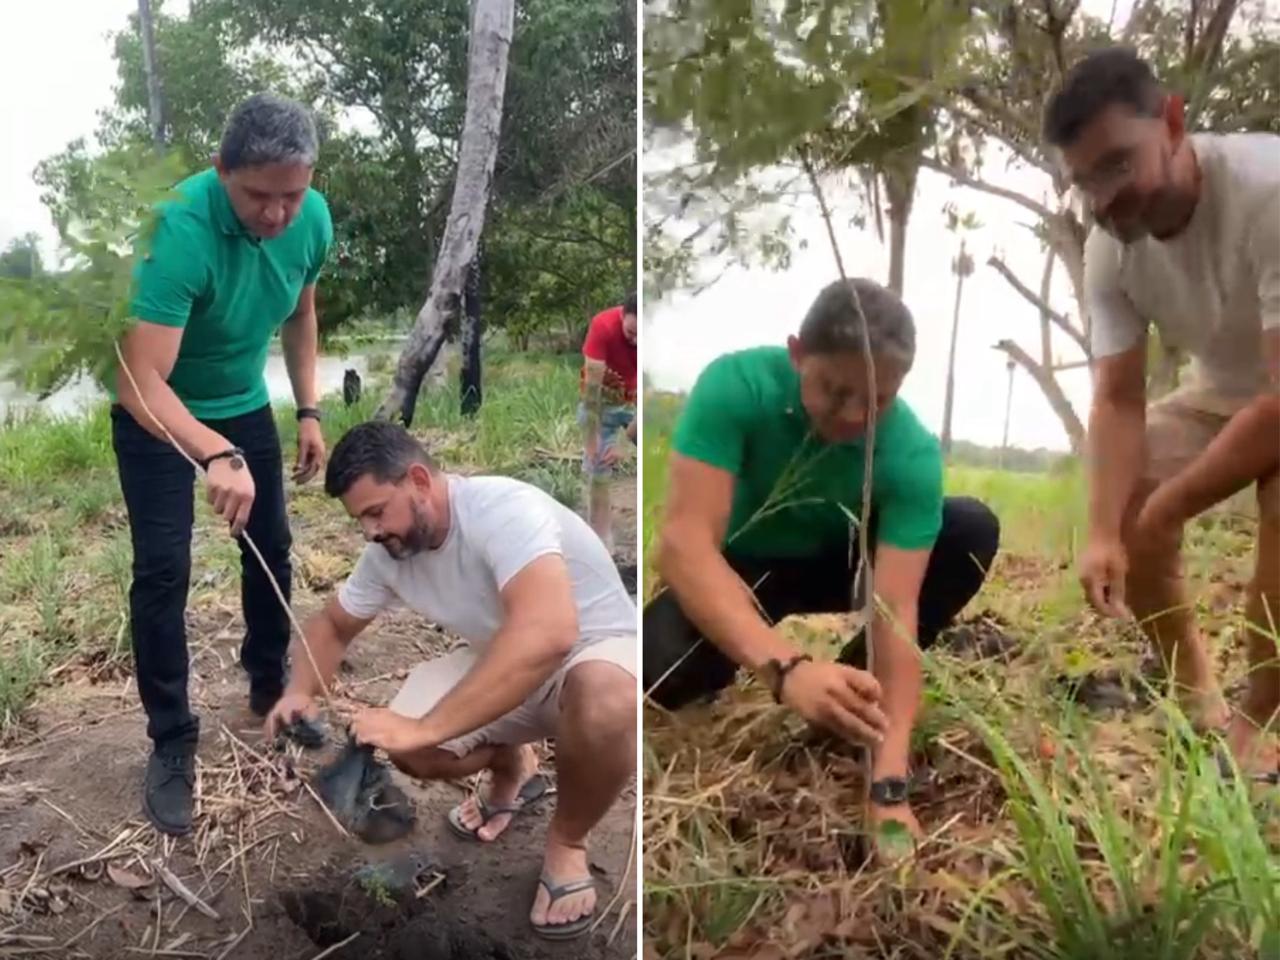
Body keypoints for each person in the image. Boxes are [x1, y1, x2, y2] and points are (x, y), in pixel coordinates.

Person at [643, 278, 1000, 845]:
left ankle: (854, 699)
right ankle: (746, 661)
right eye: (835, 391)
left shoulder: (909, 453)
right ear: (797, 353)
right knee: (660, 667)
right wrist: (787, 669)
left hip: (842, 562)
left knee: (971, 527)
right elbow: (684, 547)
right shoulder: (736, 387)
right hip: (745, 566)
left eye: (879, 399)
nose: (855, 415)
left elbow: (896, 611)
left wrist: (888, 786)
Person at [264, 421, 637, 939]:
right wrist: (299, 691)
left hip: (595, 655)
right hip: (506, 663)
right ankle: (512, 769)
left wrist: (429, 725)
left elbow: (551, 632)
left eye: (376, 511)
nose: (370, 531)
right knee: (409, 746)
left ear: (419, 480)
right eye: (360, 520)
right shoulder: (388, 553)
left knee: (607, 699)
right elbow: (332, 625)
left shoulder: (502, 510)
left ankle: (568, 843)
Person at [1045, 48, 1279, 778]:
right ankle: (1195, 692)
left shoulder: (1268, 189)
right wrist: (1107, 530)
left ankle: (1261, 719)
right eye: (1084, 181)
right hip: (1229, 389)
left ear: (1172, 122)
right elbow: (1118, 398)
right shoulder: (1109, 250)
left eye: (1118, 164)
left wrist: (1171, 508)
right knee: (1130, 496)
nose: (1104, 198)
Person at [112, 92, 333, 836]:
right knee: (164, 570)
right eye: (257, 196)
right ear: (221, 171)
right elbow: (141, 381)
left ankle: (270, 687)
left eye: (291, 196)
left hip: (241, 402)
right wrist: (214, 451)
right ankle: (172, 738)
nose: (276, 214)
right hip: (158, 409)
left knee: (270, 545)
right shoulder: (177, 230)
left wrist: (307, 408)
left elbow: (301, 312)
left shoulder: (313, 219)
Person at [579, 291, 638, 550]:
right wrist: (592, 438)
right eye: (631, 333)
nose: (636, 342)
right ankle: (601, 543)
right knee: (598, 470)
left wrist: (624, 444)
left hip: (640, 404)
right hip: (604, 402)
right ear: (622, 314)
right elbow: (591, 392)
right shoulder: (602, 326)